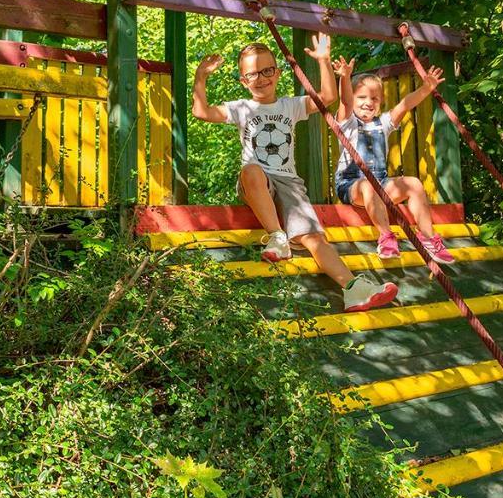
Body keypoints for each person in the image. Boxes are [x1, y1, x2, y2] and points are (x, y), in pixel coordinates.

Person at [193, 36, 398, 313]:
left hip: (289, 182)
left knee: (315, 239)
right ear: (243, 80)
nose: (261, 78)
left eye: (267, 70)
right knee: (251, 169)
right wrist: (201, 76)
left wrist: (324, 61)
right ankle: (277, 236)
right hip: (257, 181)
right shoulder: (241, 107)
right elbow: (201, 111)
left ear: (277, 73)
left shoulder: (290, 105)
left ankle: (353, 288)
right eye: (252, 74)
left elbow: (327, 97)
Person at [333, 60, 456, 264]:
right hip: (351, 185)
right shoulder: (347, 123)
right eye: (361, 97)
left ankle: (427, 237)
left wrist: (426, 88)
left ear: (380, 102)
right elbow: (345, 102)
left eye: (374, 98)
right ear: (353, 99)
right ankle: (386, 236)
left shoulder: (383, 123)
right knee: (368, 185)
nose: (368, 102)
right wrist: (345, 77)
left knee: (414, 184)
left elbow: (405, 104)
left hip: (380, 184)